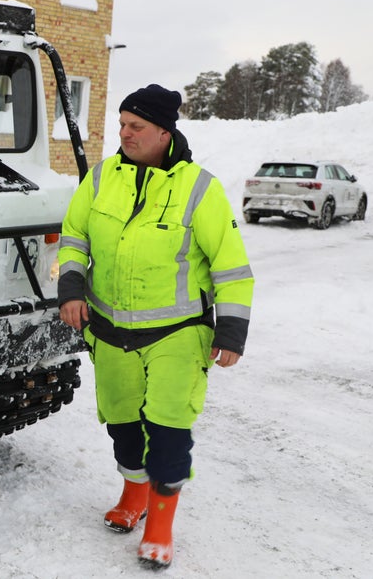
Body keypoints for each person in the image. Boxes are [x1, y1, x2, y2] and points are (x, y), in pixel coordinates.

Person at [57, 84, 254, 570]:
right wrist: (71, 288)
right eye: (122, 124)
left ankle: (160, 527)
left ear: (164, 132)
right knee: (124, 424)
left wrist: (231, 331)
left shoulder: (200, 188)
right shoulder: (101, 178)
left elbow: (231, 266)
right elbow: (75, 236)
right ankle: (134, 496)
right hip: (109, 329)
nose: (125, 134)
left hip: (177, 332)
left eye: (136, 126)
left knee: (168, 429)